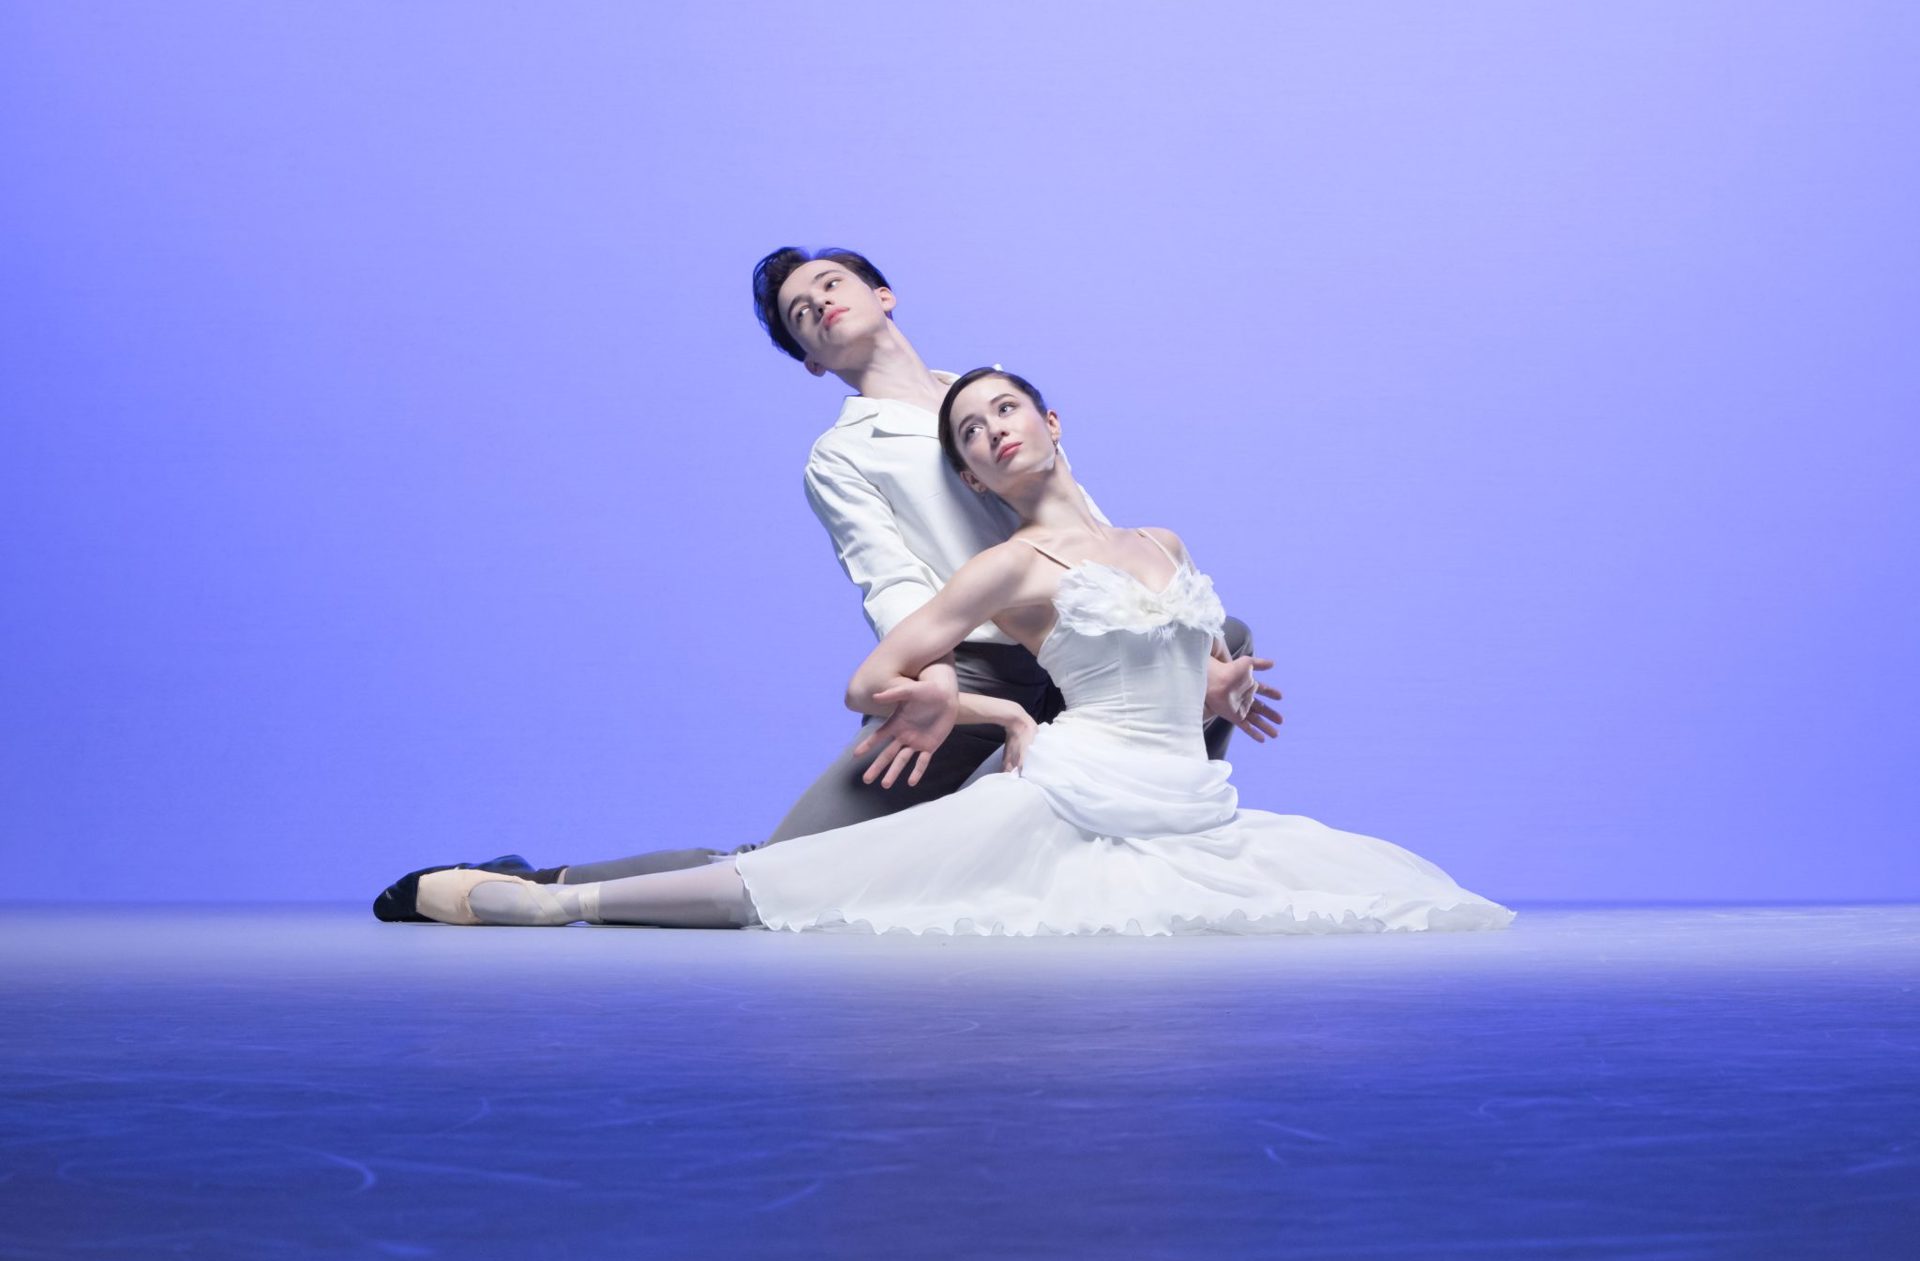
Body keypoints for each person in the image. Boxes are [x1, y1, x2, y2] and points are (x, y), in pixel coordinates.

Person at [408, 368, 1510, 939]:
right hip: (1074, 793)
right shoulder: (1010, 569)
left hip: (1188, 809)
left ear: (1053, 418)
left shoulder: (1159, 540)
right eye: (973, 435)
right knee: (808, 879)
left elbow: (1169, 652)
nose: (992, 432)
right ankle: (551, 904)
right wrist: (996, 717)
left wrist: (1212, 680)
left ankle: (565, 894)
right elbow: (869, 678)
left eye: (1005, 412)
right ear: (976, 482)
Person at [373, 248, 1277, 916]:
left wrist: (1190, 660)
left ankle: (1147, 861)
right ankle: (544, 885)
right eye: (800, 315)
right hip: (971, 663)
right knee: (790, 869)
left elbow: (1082, 529)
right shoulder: (840, 456)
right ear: (810, 360)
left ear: (882, 296)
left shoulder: (988, 392)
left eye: (829, 287)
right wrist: (933, 683)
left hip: (1081, 659)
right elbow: (891, 580)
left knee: (1219, 630)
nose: (818, 306)